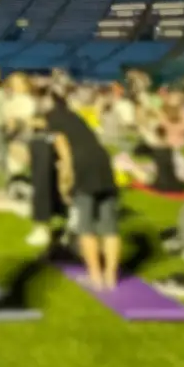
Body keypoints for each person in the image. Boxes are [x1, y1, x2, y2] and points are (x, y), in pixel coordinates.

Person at [47, 91, 120, 290]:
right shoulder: (75, 117)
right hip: (102, 162)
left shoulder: (53, 120)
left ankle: (95, 276)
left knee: (85, 226)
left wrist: (64, 185)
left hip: (83, 166)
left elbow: (65, 155)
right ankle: (111, 277)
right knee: (109, 226)